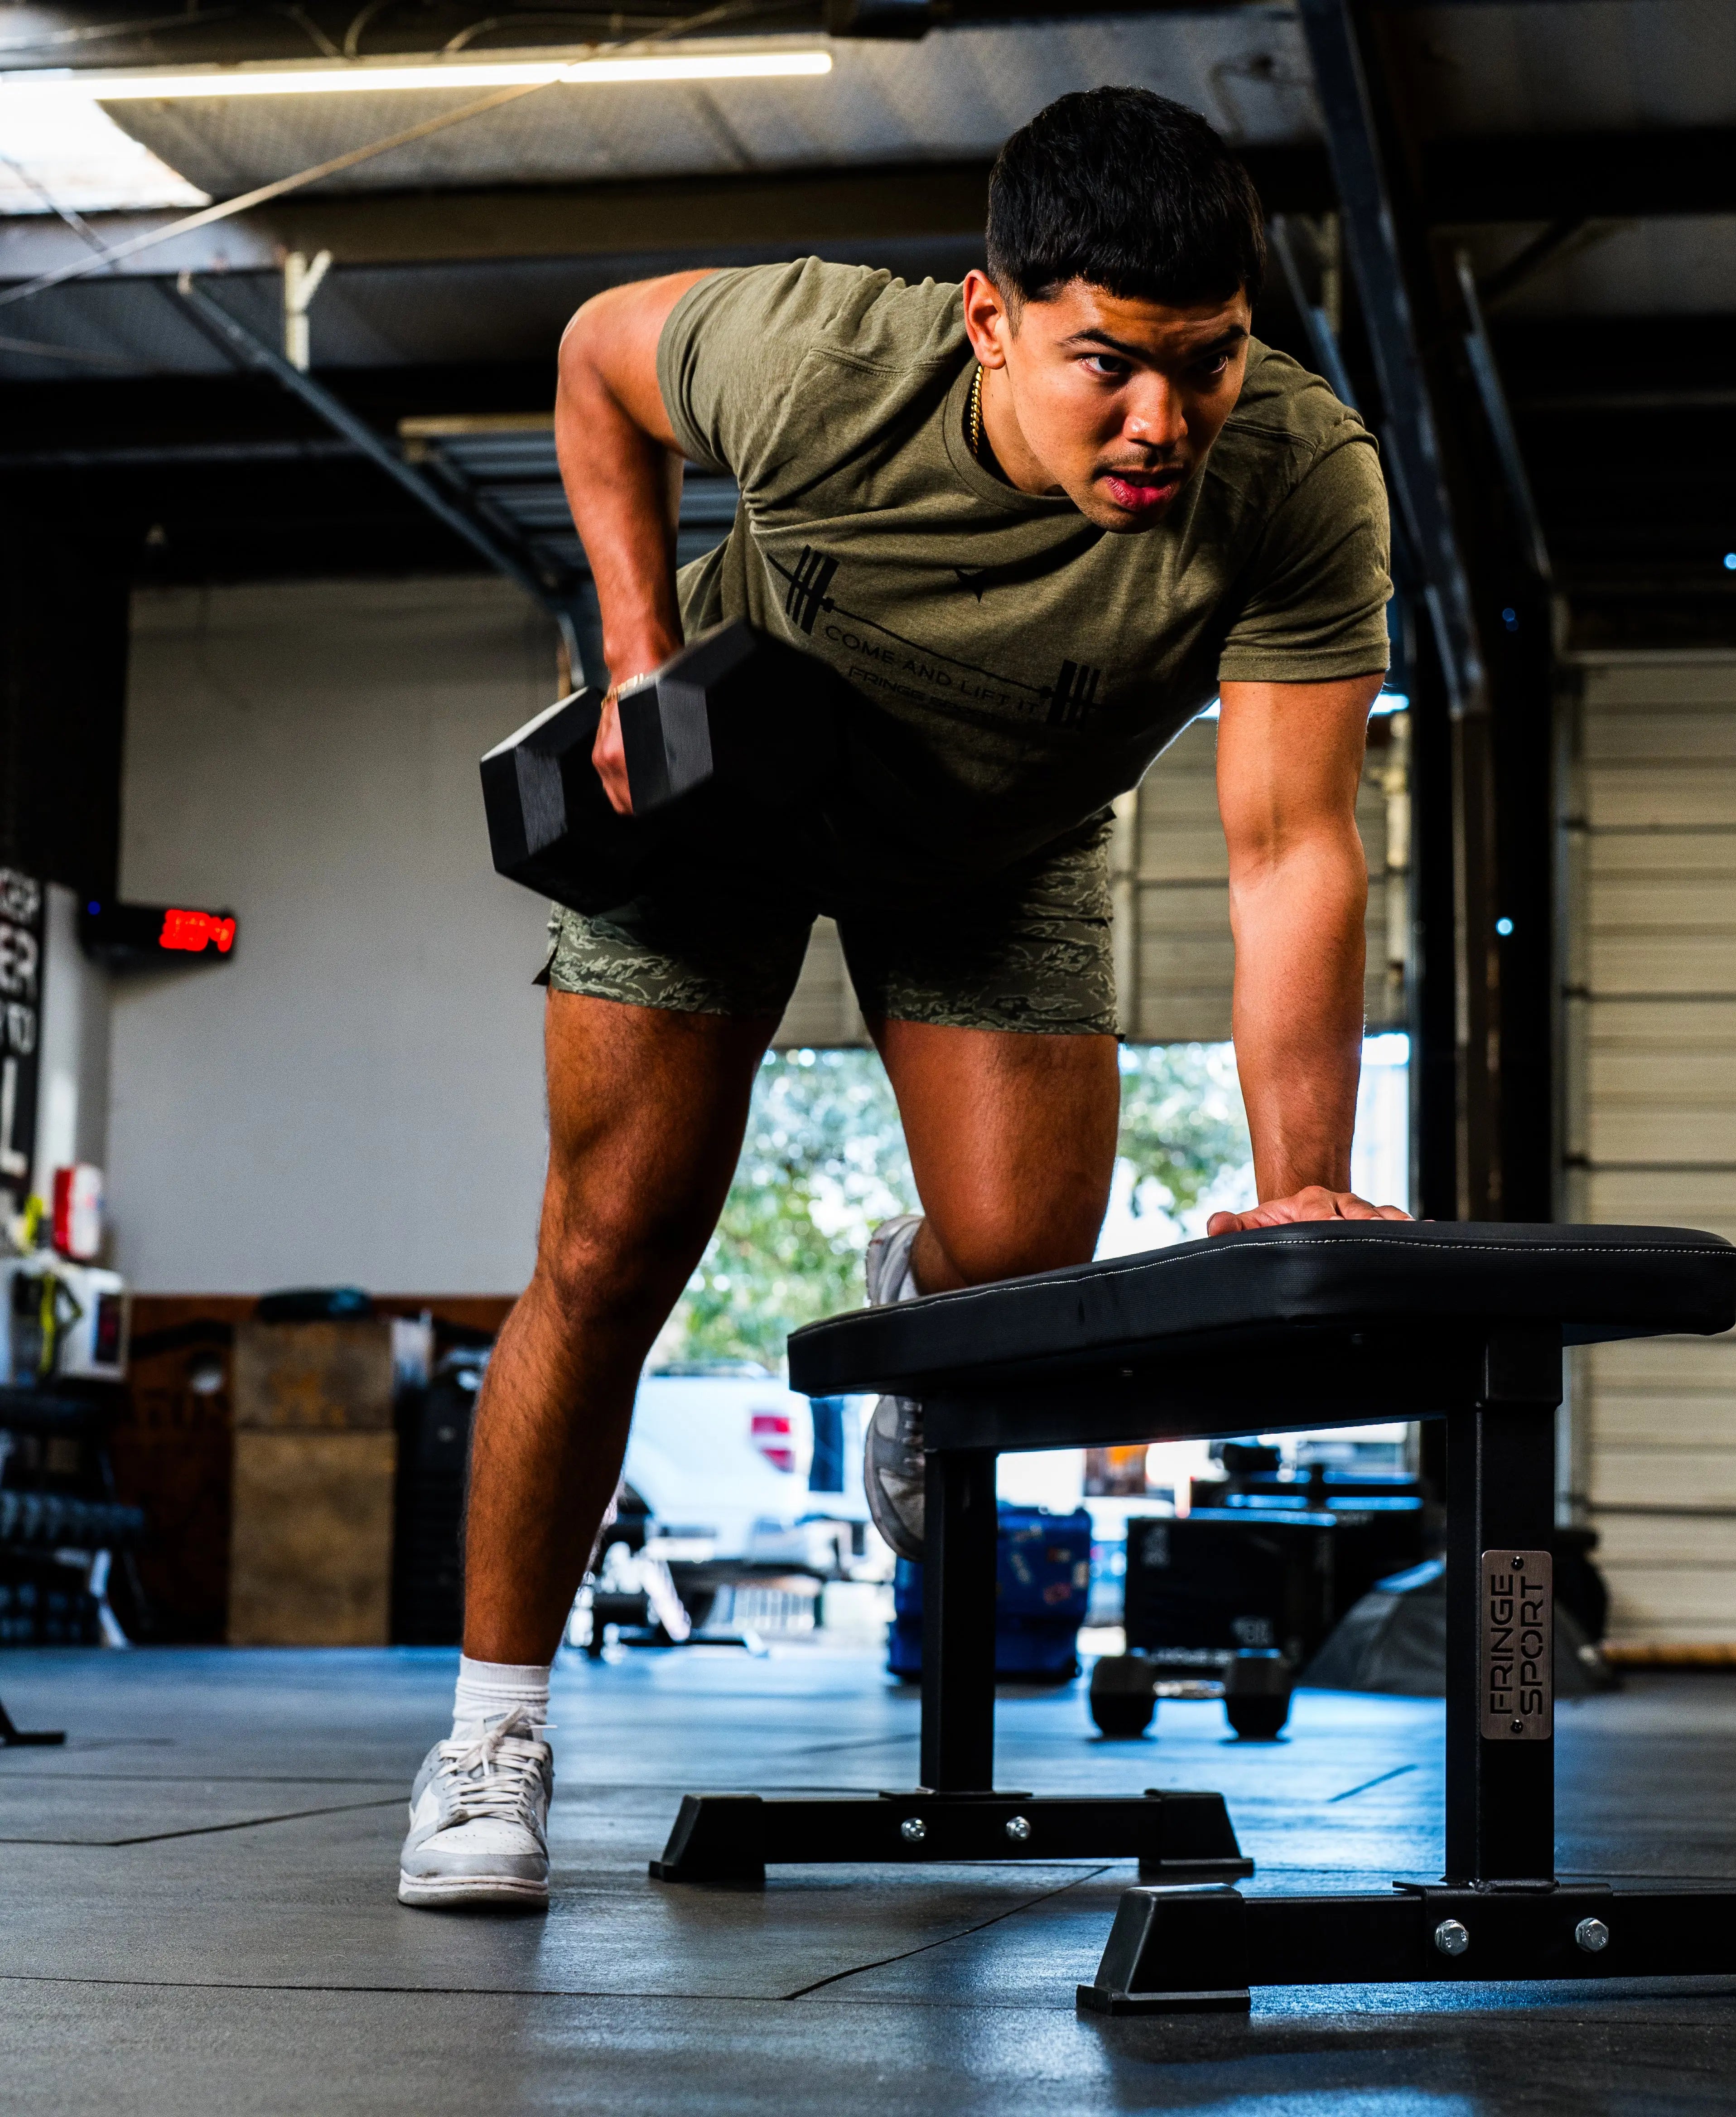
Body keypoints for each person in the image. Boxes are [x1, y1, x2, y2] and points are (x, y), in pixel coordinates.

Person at [397, 85, 1408, 1911]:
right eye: (1107, 362)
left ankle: (910, 1302)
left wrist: (1306, 1173)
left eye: (1208, 362)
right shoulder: (820, 359)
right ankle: (491, 1730)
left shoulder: (1297, 478)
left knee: (1020, 1267)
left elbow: (1287, 846)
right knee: (610, 1248)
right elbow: (595, 359)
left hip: (995, 841)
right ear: (988, 318)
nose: (1160, 422)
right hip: (727, 798)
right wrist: (634, 657)